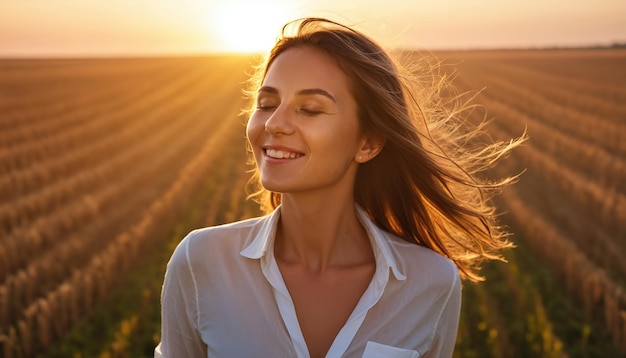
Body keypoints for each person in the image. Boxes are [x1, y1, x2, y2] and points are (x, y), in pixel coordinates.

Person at [155, 17, 522, 358]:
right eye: (267, 103)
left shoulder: (432, 282)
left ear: (368, 143)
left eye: (310, 109)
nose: (275, 123)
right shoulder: (200, 261)